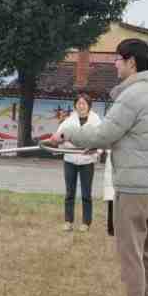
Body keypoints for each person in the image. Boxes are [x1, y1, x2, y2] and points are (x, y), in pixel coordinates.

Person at [46, 38, 148, 296]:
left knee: (132, 255)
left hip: (134, 188)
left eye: (118, 59)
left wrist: (66, 135)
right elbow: (130, 135)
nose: (115, 64)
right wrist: (103, 143)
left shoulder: (131, 96)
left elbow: (102, 135)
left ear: (131, 63)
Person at [56, 94, 101, 233]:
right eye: (79, 103)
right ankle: (68, 221)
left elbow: (102, 139)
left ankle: (86, 223)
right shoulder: (69, 120)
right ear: (75, 105)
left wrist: (96, 151)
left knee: (86, 194)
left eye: (84, 103)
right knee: (70, 192)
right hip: (70, 160)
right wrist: (62, 142)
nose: (81, 106)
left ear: (89, 106)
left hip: (87, 161)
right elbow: (58, 136)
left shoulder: (96, 121)